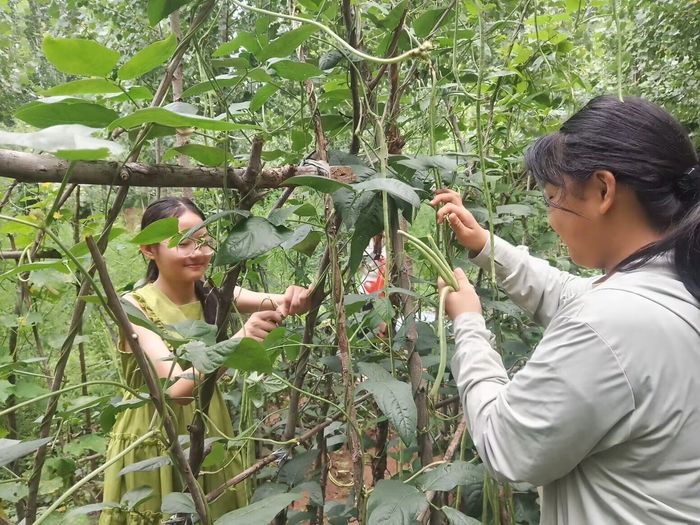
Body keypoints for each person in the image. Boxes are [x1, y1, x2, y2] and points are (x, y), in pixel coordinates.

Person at [431, 96, 700, 523]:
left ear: (603, 190)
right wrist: (484, 245)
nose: (553, 218)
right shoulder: (673, 283)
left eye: (554, 198)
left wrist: (468, 324)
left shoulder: (611, 323)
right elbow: (570, 294)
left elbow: (505, 443)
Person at [100, 197, 312, 524]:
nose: (198, 251)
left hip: (207, 424)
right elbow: (177, 389)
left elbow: (286, 302)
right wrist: (239, 340)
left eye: (204, 239)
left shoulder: (211, 291)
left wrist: (299, 295)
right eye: (183, 242)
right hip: (155, 431)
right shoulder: (134, 307)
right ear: (148, 250)